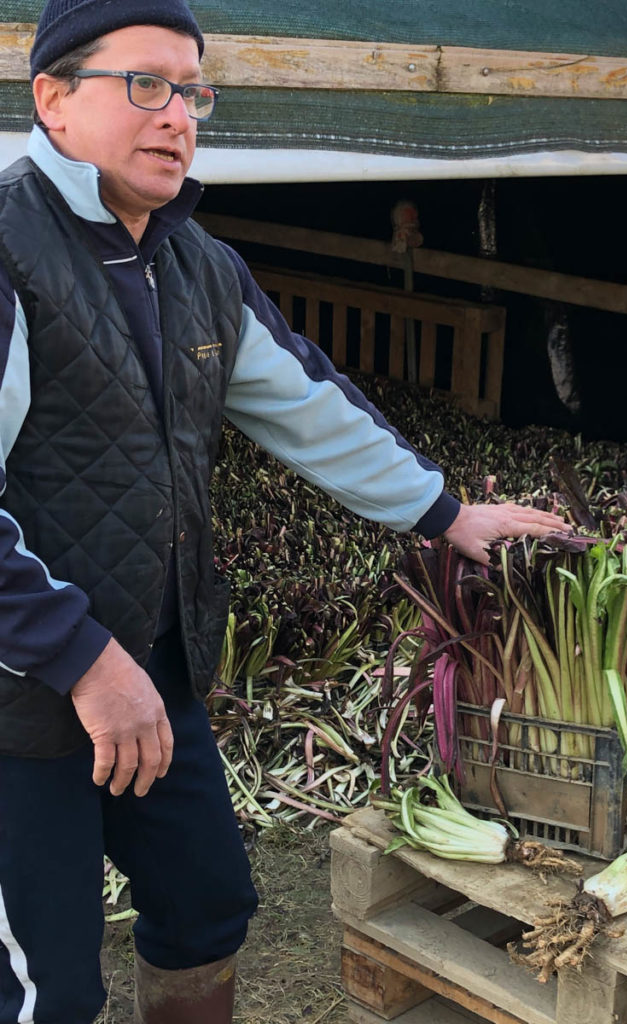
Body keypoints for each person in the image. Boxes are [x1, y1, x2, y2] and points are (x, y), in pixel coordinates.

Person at [0, 1, 569, 1021]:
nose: (177, 114)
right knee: (46, 987)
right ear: (52, 98)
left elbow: (308, 405)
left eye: (192, 90)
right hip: (20, 701)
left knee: (207, 904)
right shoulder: (7, 250)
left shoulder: (195, 265)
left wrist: (449, 514)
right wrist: (82, 657)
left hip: (153, 673)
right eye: (144, 84)